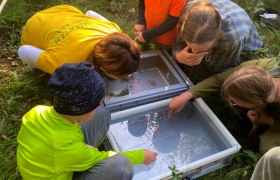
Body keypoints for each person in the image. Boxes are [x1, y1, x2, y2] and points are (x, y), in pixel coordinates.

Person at [17, 62, 158, 179]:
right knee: (121, 166)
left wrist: (80, 151)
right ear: (81, 110)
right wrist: (141, 156)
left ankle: (79, 162)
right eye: (97, 102)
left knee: (101, 113)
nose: (99, 104)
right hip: (63, 163)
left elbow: (66, 146)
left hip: (61, 158)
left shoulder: (37, 111)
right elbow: (97, 156)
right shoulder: (66, 147)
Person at [168, 57, 280, 153]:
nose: (232, 103)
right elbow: (218, 80)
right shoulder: (259, 70)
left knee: (268, 148)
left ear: (255, 103)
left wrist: (269, 121)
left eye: (234, 101)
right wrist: (187, 95)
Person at [18, 5, 140, 79]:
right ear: (102, 68)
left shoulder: (114, 30)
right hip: (34, 25)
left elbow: (89, 13)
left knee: (88, 16)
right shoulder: (67, 64)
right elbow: (23, 50)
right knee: (25, 52)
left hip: (62, 11)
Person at [173, 0, 263, 81]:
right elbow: (178, 43)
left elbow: (216, 70)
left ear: (217, 39)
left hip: (244, 52)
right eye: (190, 45)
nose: (194, 51)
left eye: (200, 49)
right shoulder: (190, 10)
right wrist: (177, 56)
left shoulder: (231, 36)